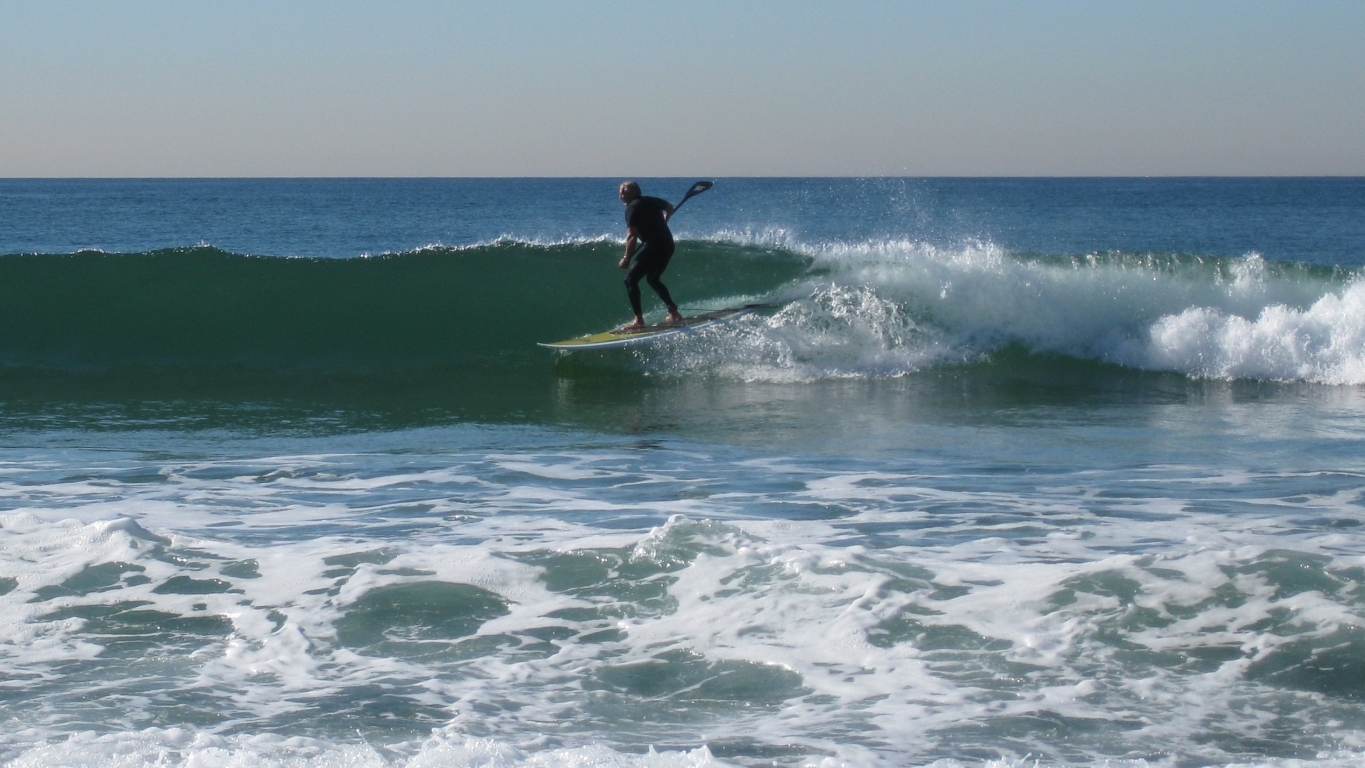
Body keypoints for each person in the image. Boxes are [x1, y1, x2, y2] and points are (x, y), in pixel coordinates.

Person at [617, 180, 684, 331]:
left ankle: (638, 321)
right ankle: (674, 313)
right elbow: (670, 208)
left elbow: (632, 236)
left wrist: (626, 258)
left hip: (655, 247)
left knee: (630, 280)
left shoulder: (631, 208)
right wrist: (663, 223)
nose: (620, 194)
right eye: (620, 191)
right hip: (667, 244)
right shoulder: (651, 200)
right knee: (653, 279)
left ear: (634, 192)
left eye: (624, 191)